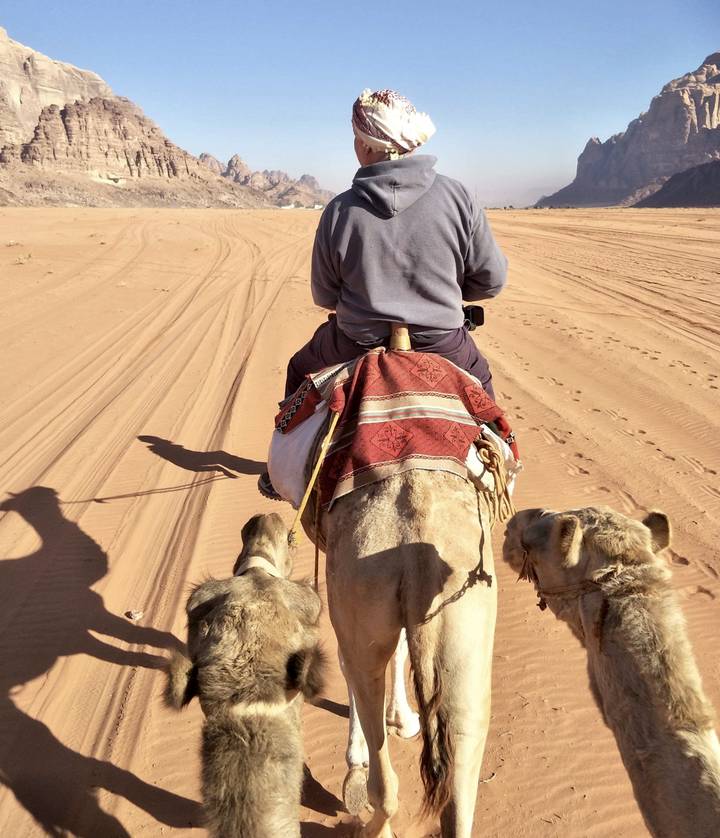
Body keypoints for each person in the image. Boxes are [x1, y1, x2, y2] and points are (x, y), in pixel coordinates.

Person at [259, 88, 508, 498]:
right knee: (480, 385)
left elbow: (325, 295)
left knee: (299, 368)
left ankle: (278, 469)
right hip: (442, 341)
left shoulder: (339, 209)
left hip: (355, 342)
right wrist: (444, 287)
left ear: (365, 143)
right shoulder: (458, 196)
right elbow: (491, 281)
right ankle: (499, 458)